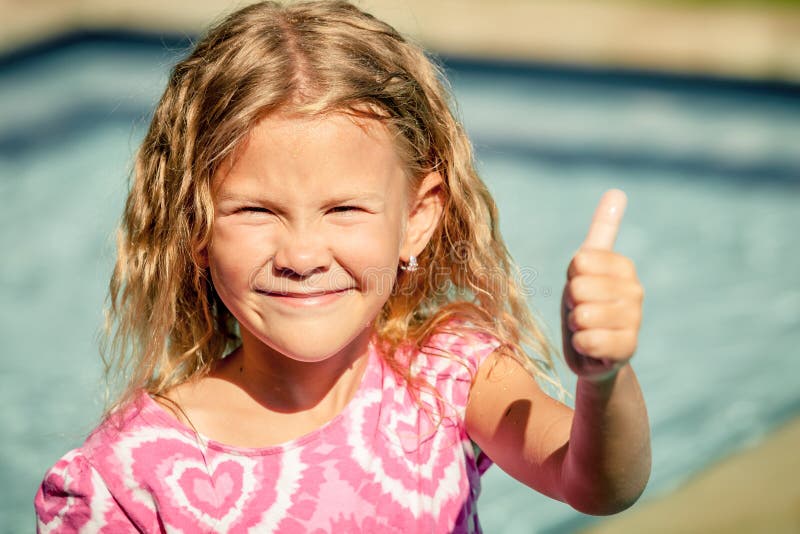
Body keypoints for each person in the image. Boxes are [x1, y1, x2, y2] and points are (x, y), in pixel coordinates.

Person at [34, 1, 650, 532]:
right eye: (254, 210)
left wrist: (604, 380)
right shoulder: (129, 479)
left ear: (417, 218)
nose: (302, 256)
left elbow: (598, 484)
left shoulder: (447, 381)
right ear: (193, 228)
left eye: (344, 209)